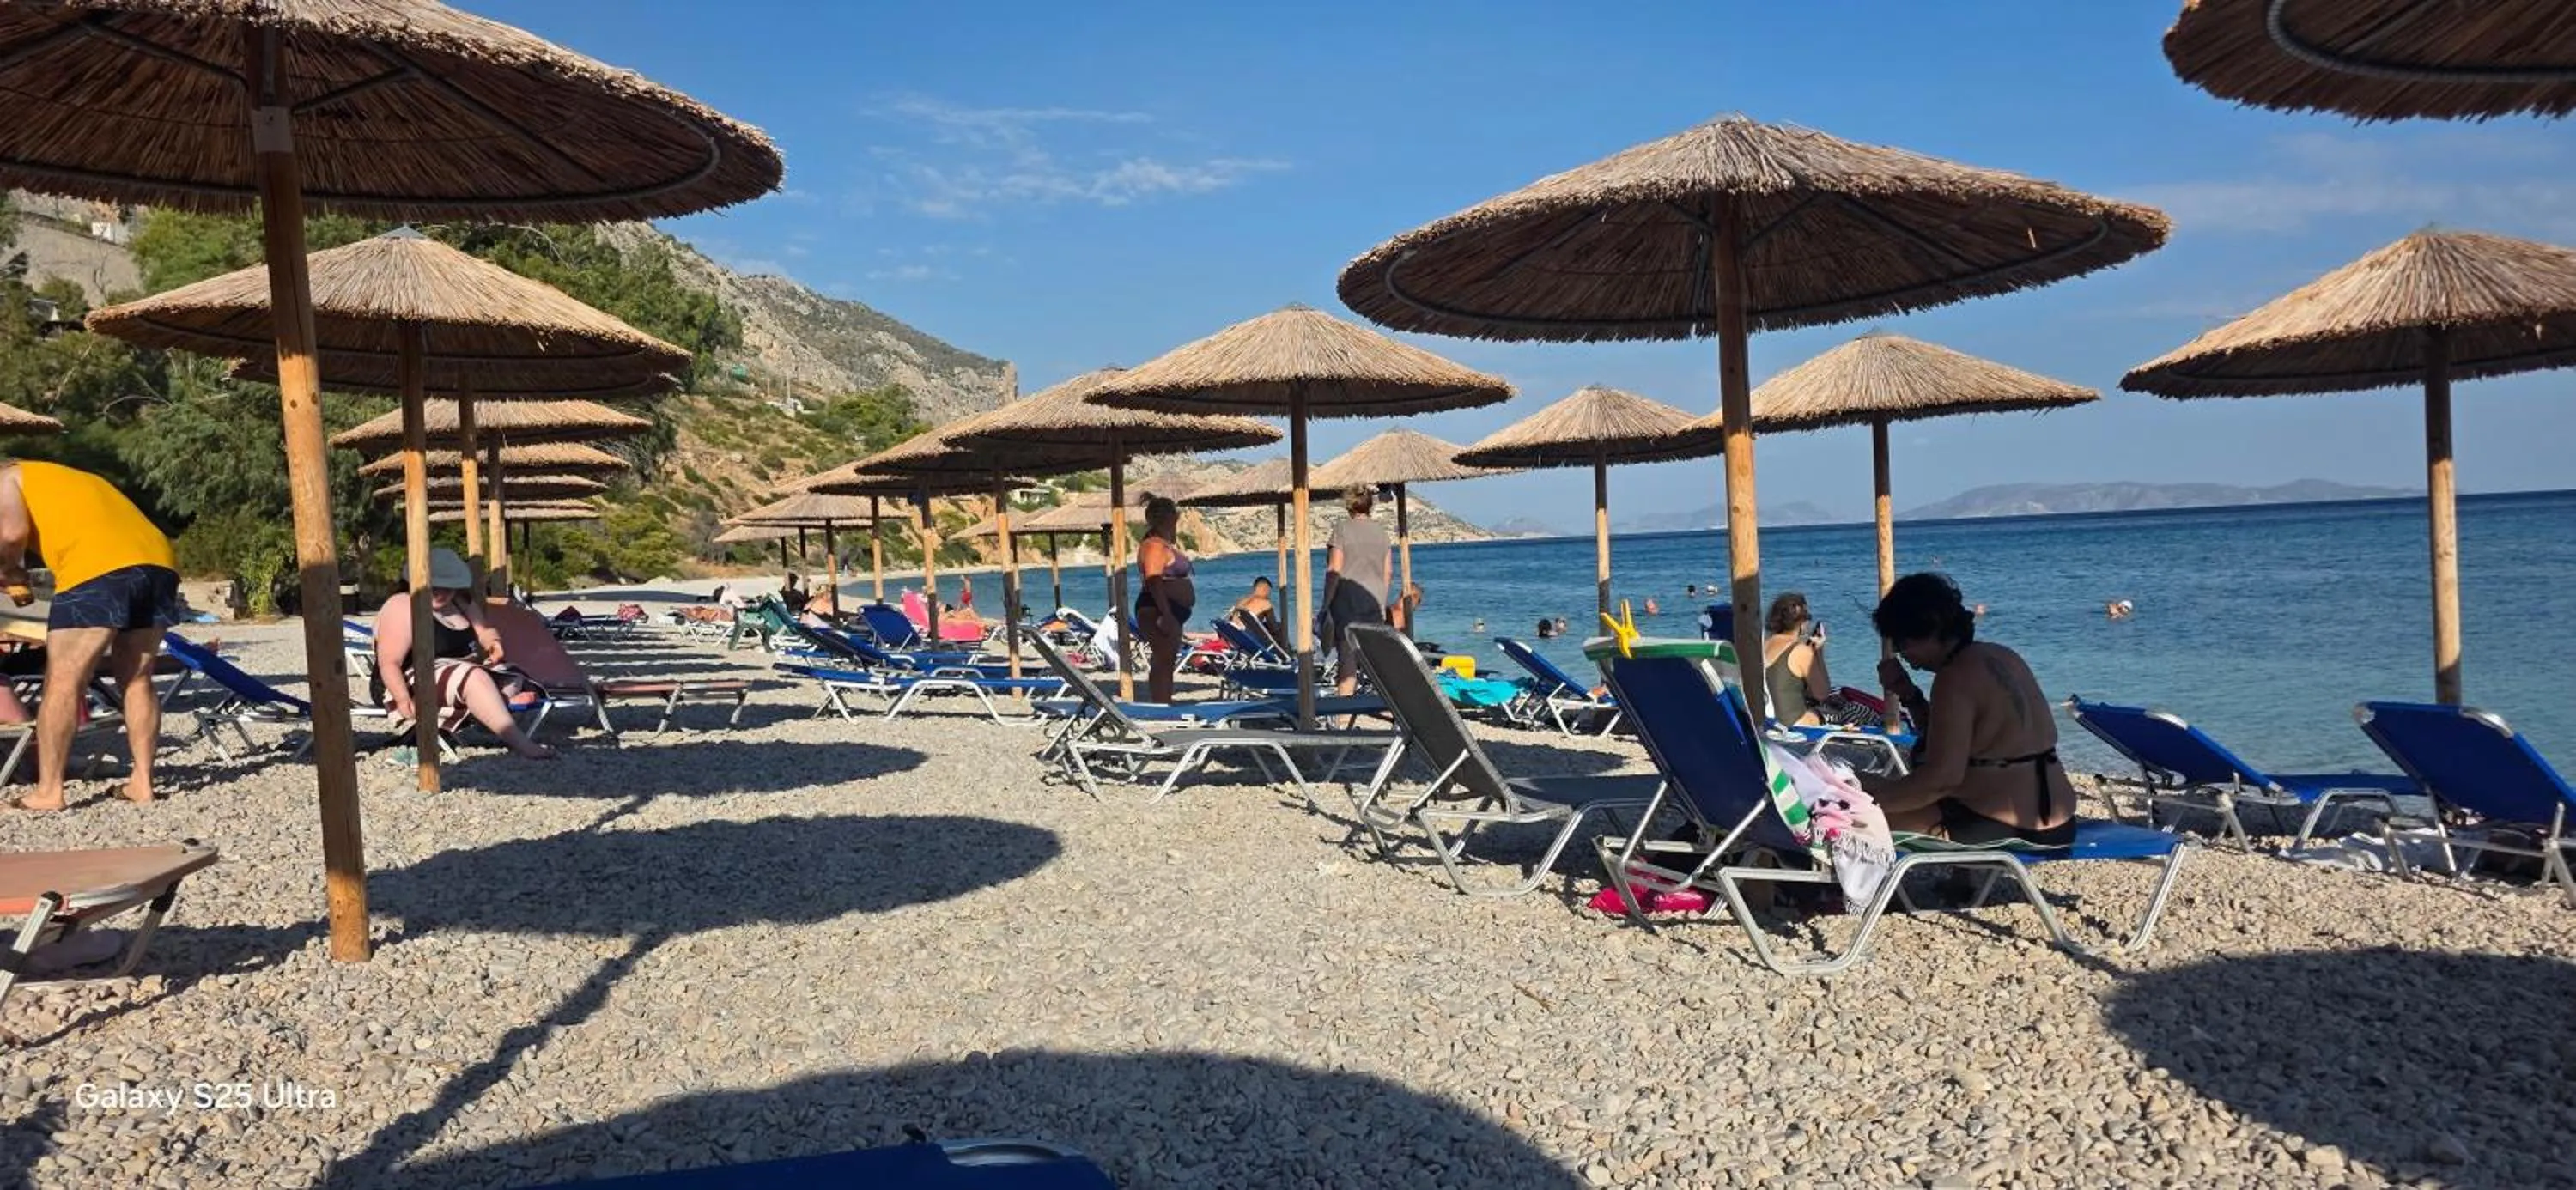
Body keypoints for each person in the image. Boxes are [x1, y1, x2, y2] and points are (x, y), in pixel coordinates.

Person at [0, 460, 180, 811]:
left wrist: (9, 568)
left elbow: (9, 533)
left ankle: (49, 791)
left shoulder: (6, 476)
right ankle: (142, 783)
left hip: (96, 568)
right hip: (158, 562)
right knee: (137, 677)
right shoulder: (70, 478)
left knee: (64, 678)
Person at [1860, 573, 2074, 847]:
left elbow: (1942, 780)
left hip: (2007, 826)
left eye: (1902, 644)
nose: (1904, 654)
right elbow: (1948, 743)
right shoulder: (2003, 655)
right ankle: (1962, 886)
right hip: (2058, 820)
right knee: (1861, 783)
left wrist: (1866, 805)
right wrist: (1909, 694)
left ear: (1928, 631)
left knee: (1848, 821)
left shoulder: (1954, 678)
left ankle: (1824, 889)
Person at [373, 548, 555, 760]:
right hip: (408, 679)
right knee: (476, 678)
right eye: (435, 586)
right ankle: (520, 742)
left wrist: (493, 643)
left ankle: (495, 706)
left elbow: (484, 630)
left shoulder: (460, 602)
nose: (442, 592)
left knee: (511, 673)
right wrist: (402, 698)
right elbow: (389, 663)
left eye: (448, 586)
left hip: (457, 671)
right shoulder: (402, 605)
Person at [1322, 489, 1393, 697]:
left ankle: (1344, 715)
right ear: (1370, 505)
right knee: (1376, 661)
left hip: (1347, 602)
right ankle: (1389, 708)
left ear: (1349, 505)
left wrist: (1326, 604)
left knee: (1348, 660)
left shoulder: (1342, 530)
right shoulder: (1381, 532)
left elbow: (1334, 570)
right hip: (1375, 603)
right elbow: (1388, 572)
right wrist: (1381, 599)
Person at [1134, 496, 1194, 702]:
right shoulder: (1154, 546)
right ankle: (1161, 705)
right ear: (1171, 517)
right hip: (1159, 609)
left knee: (1166, 660)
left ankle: (1164, 702)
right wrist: (1166, 614)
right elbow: (1153, 580)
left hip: (1165, 608)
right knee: (1163, 659)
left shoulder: (1160, 543)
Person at [1760, 592, 1832, 727]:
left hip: (1766, 722)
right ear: (1803, 624)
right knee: (1848, 711)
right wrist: (1818, 653)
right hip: (1792, 726)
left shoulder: (1764, 645)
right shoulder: (1801, 652)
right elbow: (1822, 693)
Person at [1228, 575, 1284, 647]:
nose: (1268, 594)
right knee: (1280, 628)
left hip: (1234, 636)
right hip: (1249, 639)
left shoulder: (1241, 601)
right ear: (1265, 588)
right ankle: (1285, 653)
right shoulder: (1266, 603)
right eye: (1269, 591)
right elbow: (1273, 626)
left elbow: (1231, 619)